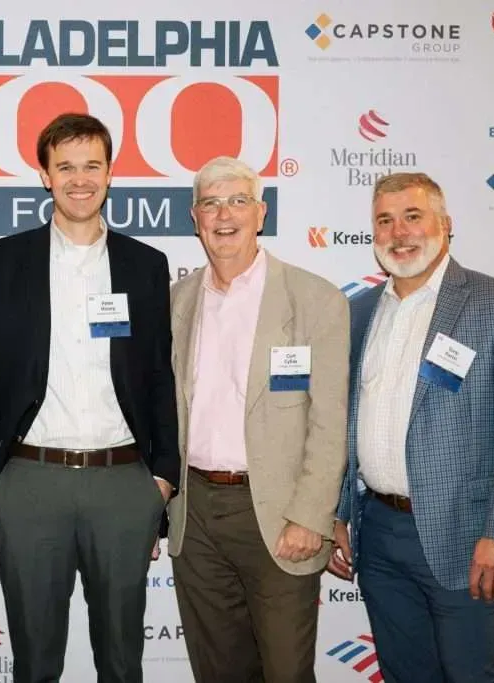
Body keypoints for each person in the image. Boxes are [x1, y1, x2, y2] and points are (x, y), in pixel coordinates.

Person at [0, 112, 180, 683]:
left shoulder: (146, 265)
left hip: (124, 482)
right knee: (34, 662)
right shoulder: (4, 261)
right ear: (44, 176)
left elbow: (161, 377)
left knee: (122, 661)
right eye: (65, 167)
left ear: (110, 174)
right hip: (29, 481)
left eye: (92, 166)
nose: (79, 179)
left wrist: (161, 476)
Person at [328, 172, 494, 682]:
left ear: (446, 225)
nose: (398, 232)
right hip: (379, 533)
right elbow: (343, 424)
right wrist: (338, 512)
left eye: (413, 216)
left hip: (467, 537)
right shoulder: (357, 312)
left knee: (469, 675)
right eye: (384, 221)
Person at [167, 156, 349, 682]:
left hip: (277, 514)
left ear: (261, 213)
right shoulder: (177, 300)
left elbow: (329, 419)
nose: (225, 214)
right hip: (195, 513)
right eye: (211, 202)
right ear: (195, 217)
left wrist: (311, 514)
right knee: (218, 671)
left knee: (286, 672)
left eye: (238, 200)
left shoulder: (315, 299)